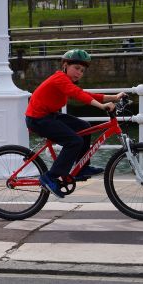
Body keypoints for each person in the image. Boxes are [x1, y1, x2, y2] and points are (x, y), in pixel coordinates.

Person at [25, 49, 125, 198]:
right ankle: (50, 177)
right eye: (76, 68)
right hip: (38, 119)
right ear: (65, 65)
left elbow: (85, 94)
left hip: (50, 116)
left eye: (82, 71)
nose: (79, 73)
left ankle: (82, 167)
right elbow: (79, 95)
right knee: (74, 141)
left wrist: (114, 98)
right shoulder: (59, 78)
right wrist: (102, 106)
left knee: (85, 126)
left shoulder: (66, 82)